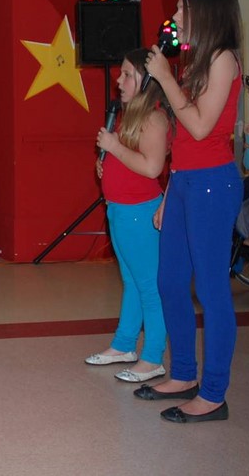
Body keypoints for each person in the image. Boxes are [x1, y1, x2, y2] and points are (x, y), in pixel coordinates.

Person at [135, 0, 243, 424]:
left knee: (211, 291)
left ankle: (213, 394)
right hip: (185, 183)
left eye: (182, 8)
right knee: (170, 281)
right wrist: (170, 190)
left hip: (213, 185)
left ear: (207, 12)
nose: (175, 16)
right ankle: (182, 374)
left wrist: (164, 76)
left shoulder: (223, 59)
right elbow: (183, 140)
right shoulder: (199, 61)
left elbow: (200, 127)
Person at [85, 49, 171, 383]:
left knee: (149, 286)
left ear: (146, 81)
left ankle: (153, 357)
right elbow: (130, 160)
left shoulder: (154, 119)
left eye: (126, 75)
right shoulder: (130, 116)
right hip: (120, 212)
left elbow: (152, 167)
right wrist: (107, 162)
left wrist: (115, 148)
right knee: (132, 282)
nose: (118, 81)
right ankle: (124, 345)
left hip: (140, 215)